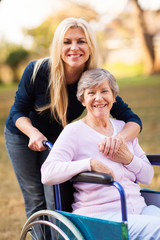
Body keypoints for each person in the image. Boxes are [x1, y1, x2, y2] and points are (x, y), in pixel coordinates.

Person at [5, 17, 142, 239]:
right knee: (36, 198)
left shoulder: (91, 78)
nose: (74, 48)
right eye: (67, 42)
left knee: (58, 198)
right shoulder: (37, 70)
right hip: (24, 134)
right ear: (59, 45)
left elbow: (133, 120)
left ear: (90, 46)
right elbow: (17, 112)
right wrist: (32, 133)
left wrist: (120, 139)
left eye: (81, 41)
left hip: (58, 138)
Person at [41, 68, 160, 239]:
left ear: (113, 97)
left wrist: (129, 159)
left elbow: (147, 176)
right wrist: (89, 164)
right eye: (91, 93)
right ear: (83, 99)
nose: (99, 98)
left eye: (104, 91)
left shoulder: (123, 129)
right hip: (102, 217)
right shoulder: (73, 132)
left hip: (140, 210)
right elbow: (47, 173)